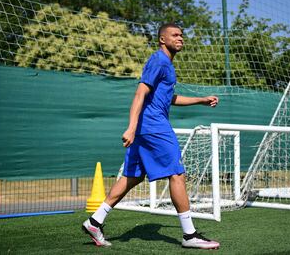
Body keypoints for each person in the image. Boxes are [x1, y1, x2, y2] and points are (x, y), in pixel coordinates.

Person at [82, 23, 220, 249]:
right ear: (162, 40)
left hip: (147, 127)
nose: (180, 38)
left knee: (133, 175)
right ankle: (189, 235)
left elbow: (169, 98)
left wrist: (201, 99)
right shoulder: (159, 60)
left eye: (182, 35)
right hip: (153, 126)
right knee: (177, 173)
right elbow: (140, 94)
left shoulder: (167, 65)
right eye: (175, 35)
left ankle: (95, 221)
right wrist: (131, 127)